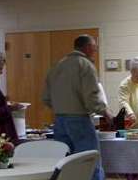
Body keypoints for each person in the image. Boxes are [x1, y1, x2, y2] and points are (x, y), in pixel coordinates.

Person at [42, 35, 112, 180]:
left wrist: (62, 108)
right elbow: (91, 95)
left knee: (65, 164)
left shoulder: (57, 65)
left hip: (59, 121)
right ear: (87, 47)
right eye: (95, 46)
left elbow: (46, 98)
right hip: (79, 119)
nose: (96, 49)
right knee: (89, 162)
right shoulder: (85, 65)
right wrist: (104, 111)